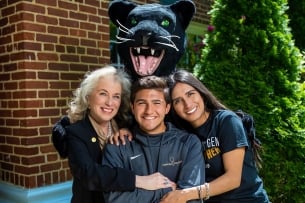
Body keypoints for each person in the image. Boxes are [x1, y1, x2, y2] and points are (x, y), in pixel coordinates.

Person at [65, 66, 171, 203]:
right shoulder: (76, 133)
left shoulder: (126, 126)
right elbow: (90, 175)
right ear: (88, 97)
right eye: (103, 93)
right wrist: (139, 180)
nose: (110, 102)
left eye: (116, 96)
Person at [160, 69, 269, 203]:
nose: (187, 104)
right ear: (172, 108)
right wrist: (126, 130)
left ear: (201, 94)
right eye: (178, 101)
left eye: (190, 94)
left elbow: (233, 179)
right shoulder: (182, 136)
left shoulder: (226, 121)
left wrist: (185, 194)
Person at [102, 75, 205, 203]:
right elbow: (114, 199)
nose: (149, 110)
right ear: (133, 108)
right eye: (141, 103)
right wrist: (166, 191)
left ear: (167, 108)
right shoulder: (117, 146)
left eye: (156, 103)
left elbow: (191, 197)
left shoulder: (188, 143)